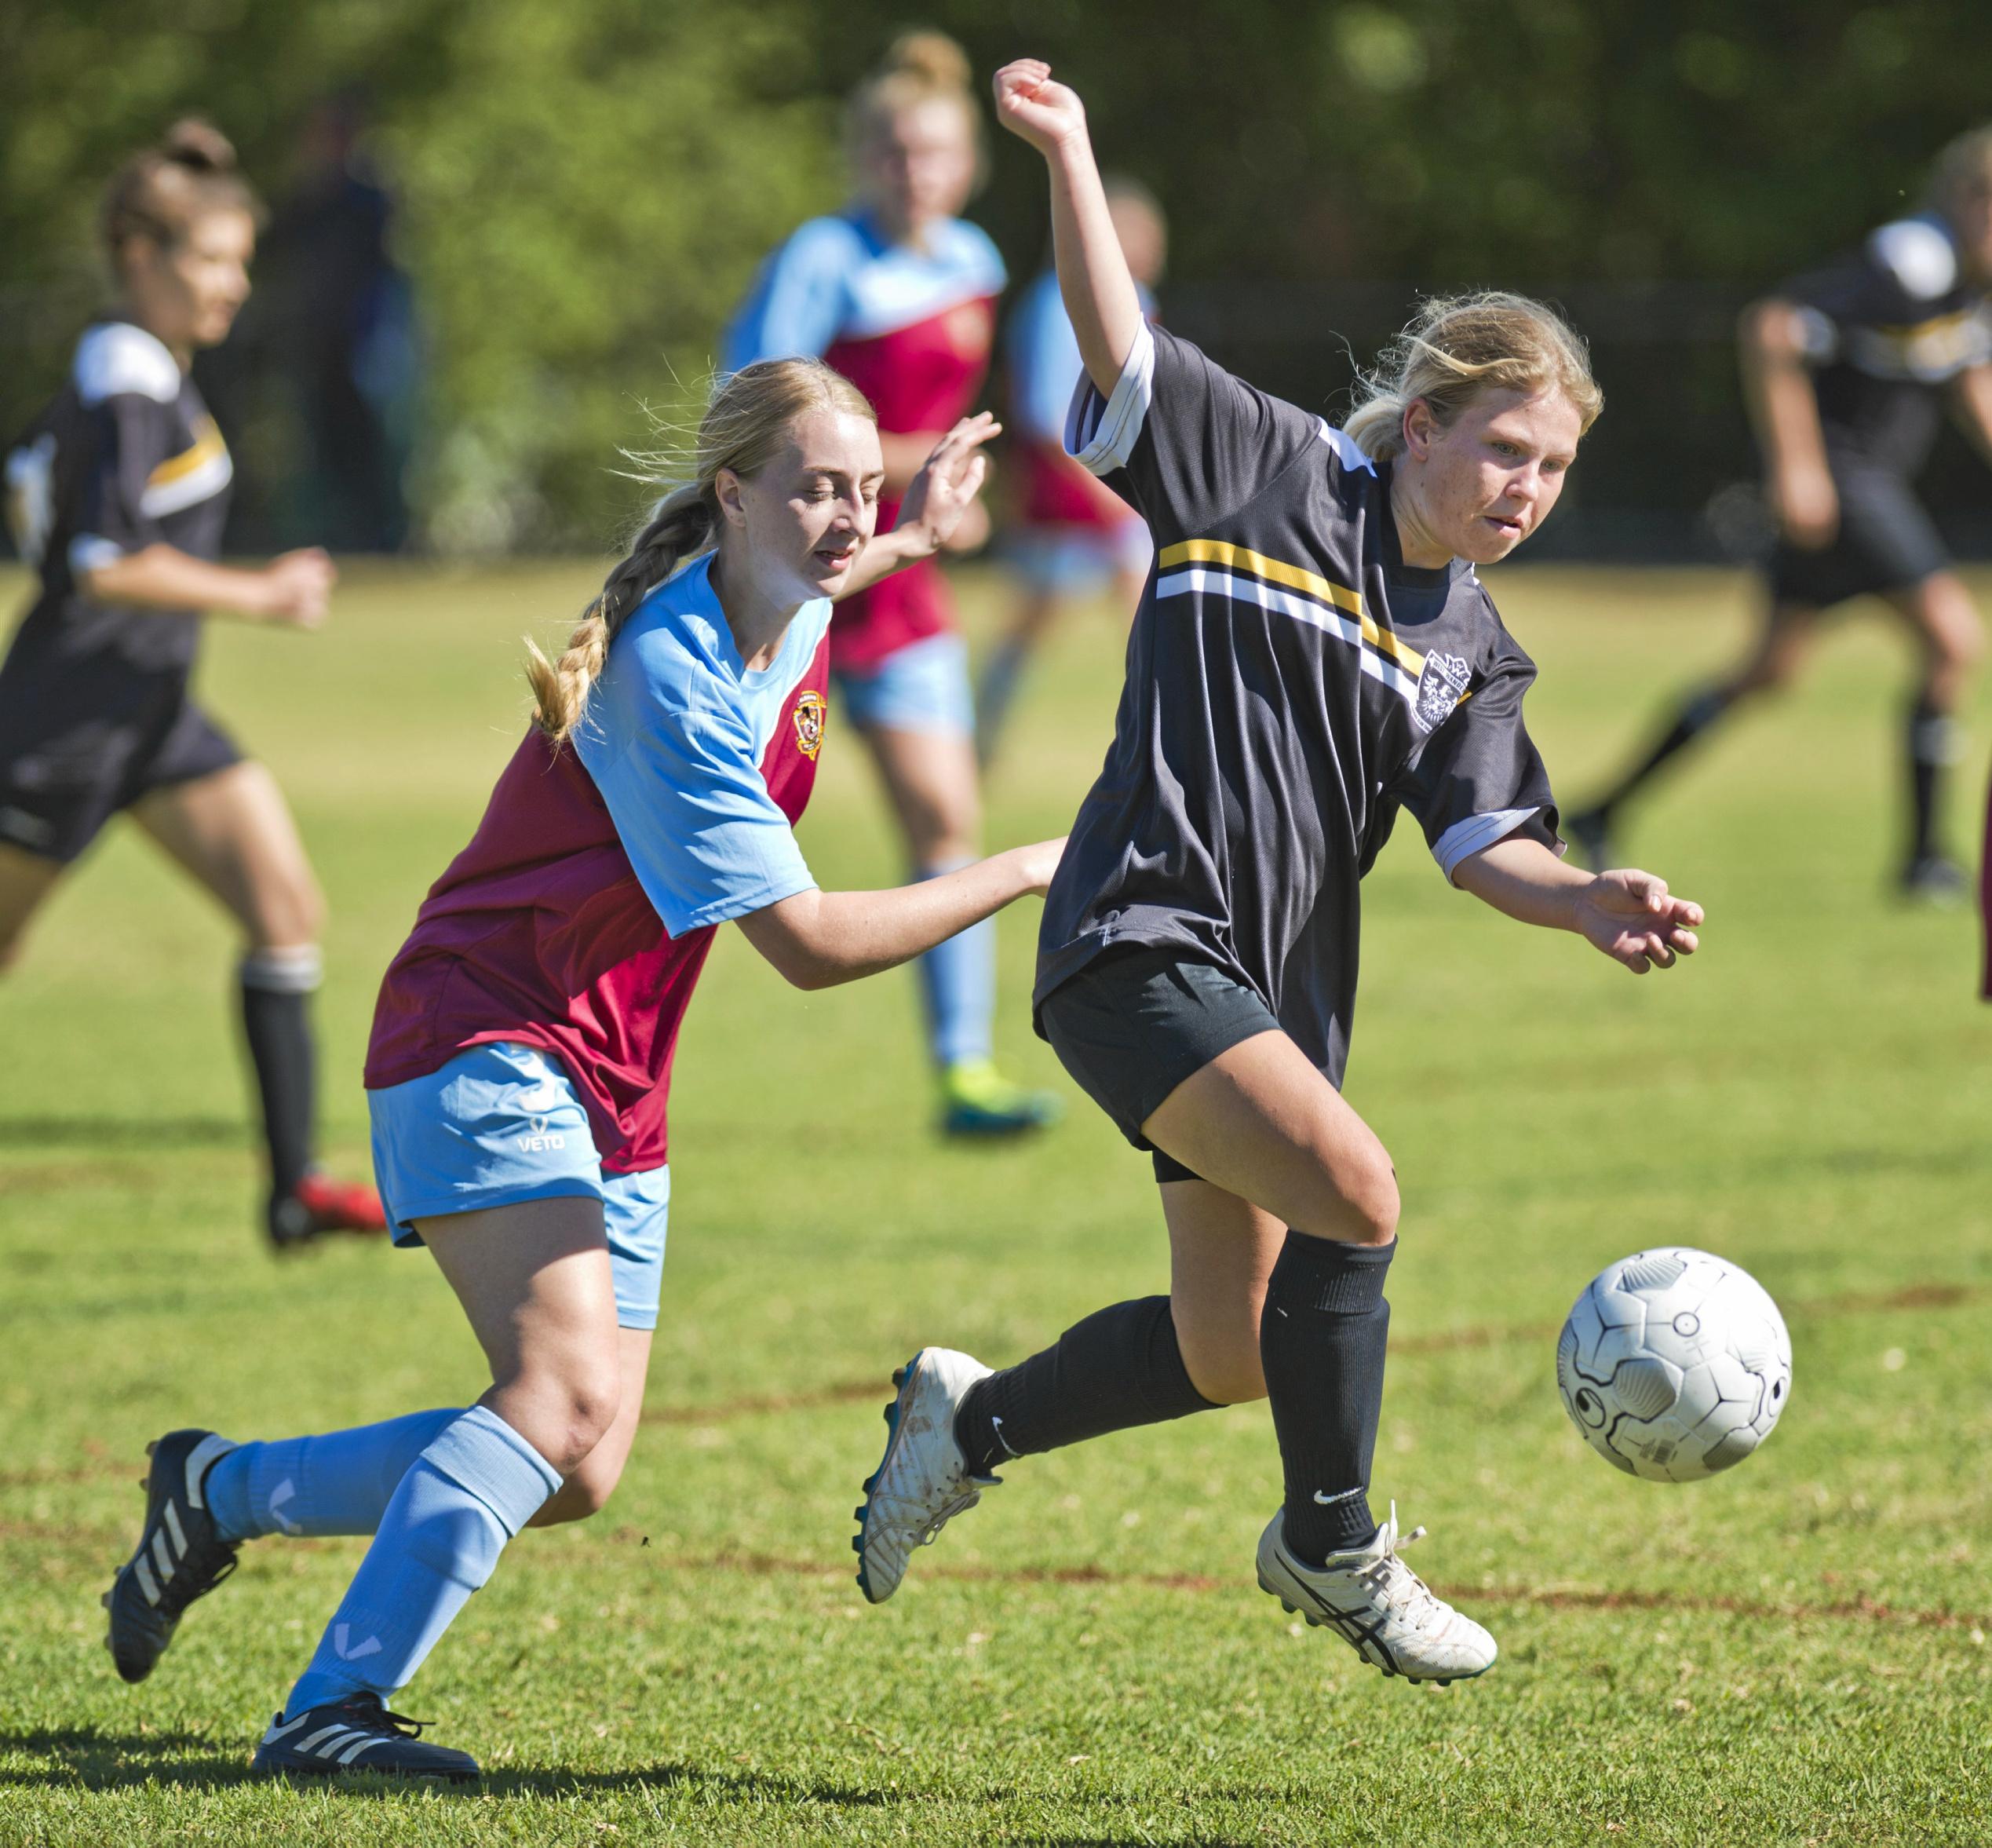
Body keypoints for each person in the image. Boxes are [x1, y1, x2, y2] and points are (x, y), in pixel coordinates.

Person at [852, 60, 1706, 1688]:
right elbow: (1115, 347)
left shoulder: (1475, 649)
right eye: (1505, 448)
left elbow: (1486, 845)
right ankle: (1332, 1545)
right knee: (1364, 1197)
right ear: (1429, 420)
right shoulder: (1263, 467)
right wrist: (1076, 152)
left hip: (1271, 994)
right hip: (1133, 934)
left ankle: (973, 1420)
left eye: (1554, 472)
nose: (1524, 490)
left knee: (1232, 1344)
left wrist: (1583, 894)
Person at [100, 358, 1061, 1782]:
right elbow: (804, 943)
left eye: (860, 486)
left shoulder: (773, 597)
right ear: (732, 495)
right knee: (551, 1396)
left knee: (577, 1461)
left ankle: (217, 1488)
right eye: (817, 488)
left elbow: (816, 588)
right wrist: (1034, 863)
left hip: (610, 1071)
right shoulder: (673, 671)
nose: (845, 516)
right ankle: (327, 1707)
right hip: (481, 1034)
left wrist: (910, 532)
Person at [0, 120, 385, 1247]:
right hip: (64, 721)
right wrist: (258, 594)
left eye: (236, 261)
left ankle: (295, 1189)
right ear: (137, 253)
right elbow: (102, 563)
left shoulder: (144, 371)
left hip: (154, 715)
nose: (231, 286)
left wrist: (203, 161)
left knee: (284, 910)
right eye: (207, 261)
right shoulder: (123, 377)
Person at [723, 31, 1060, 1138]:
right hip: (788, 590)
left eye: (934, 152)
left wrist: (945, 506)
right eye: (892, 150)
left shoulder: (973, 263)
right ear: (861, 157)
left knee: (945, 814)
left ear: (965, 163)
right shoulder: (822, 257)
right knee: (726, 836)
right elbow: (757, 408)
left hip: (902, 595)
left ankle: (962, 1073)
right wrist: (924, 475)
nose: (913, 170)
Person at [1567, 127, 1992, 900]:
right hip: (1847, 481)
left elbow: (1972, 379)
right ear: (1971, 201)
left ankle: (1602, 807)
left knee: (1769, 669)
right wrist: (1797, 467)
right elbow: (1772, 325)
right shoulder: (1913, 261)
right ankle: (1926, 859)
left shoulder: (1965, 287)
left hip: (1858, 490)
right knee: (1953, 636)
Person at [976, 177, 1166, 769]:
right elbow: (1047, 412)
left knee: (1153, 617)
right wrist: (1106, 492)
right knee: (1034, 622)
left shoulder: (1134, 296)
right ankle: (974, 739)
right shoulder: (1060, 299)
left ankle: (1165, 740)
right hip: (1073, 494)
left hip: (1115, 491)